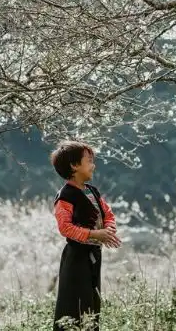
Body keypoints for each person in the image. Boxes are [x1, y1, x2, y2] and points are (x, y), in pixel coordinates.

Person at [50, 141, 122, 331]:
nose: (93, 165)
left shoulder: (92, 191)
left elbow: (108, 213)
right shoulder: (65, 196)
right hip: (76, 257)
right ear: (74, 166)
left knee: (92, 304)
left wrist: (108, 229)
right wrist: (95, 234)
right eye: (89, 161)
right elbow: (65, 228)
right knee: (74, 305)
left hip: (94, 255)